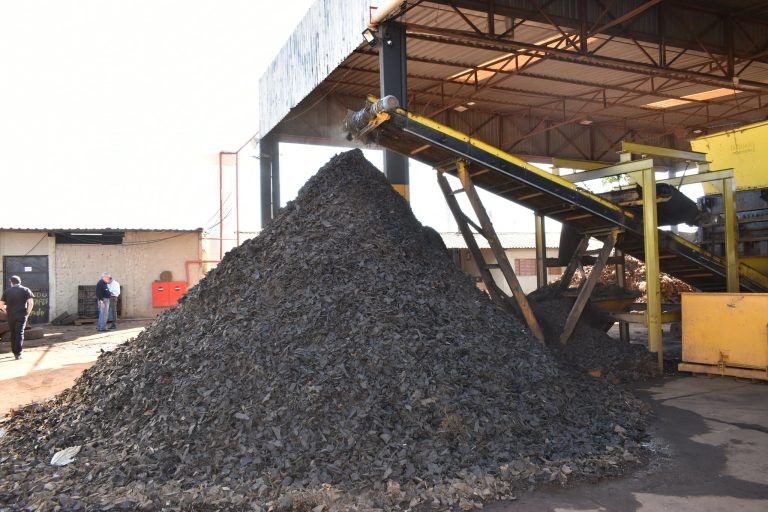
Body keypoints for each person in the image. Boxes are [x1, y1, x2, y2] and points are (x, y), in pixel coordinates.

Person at [0, 275, 35, 360]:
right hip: (22, 315)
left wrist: (6, 312)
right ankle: (18, 354)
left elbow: (1, 305)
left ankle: (14, 351)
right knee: (19, 333)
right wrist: (27, 313)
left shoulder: (7, 291)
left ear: (11, 282)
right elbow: (31, 303)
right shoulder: (26, 290)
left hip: (11, 316)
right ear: (20, 281)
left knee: (13, 333)